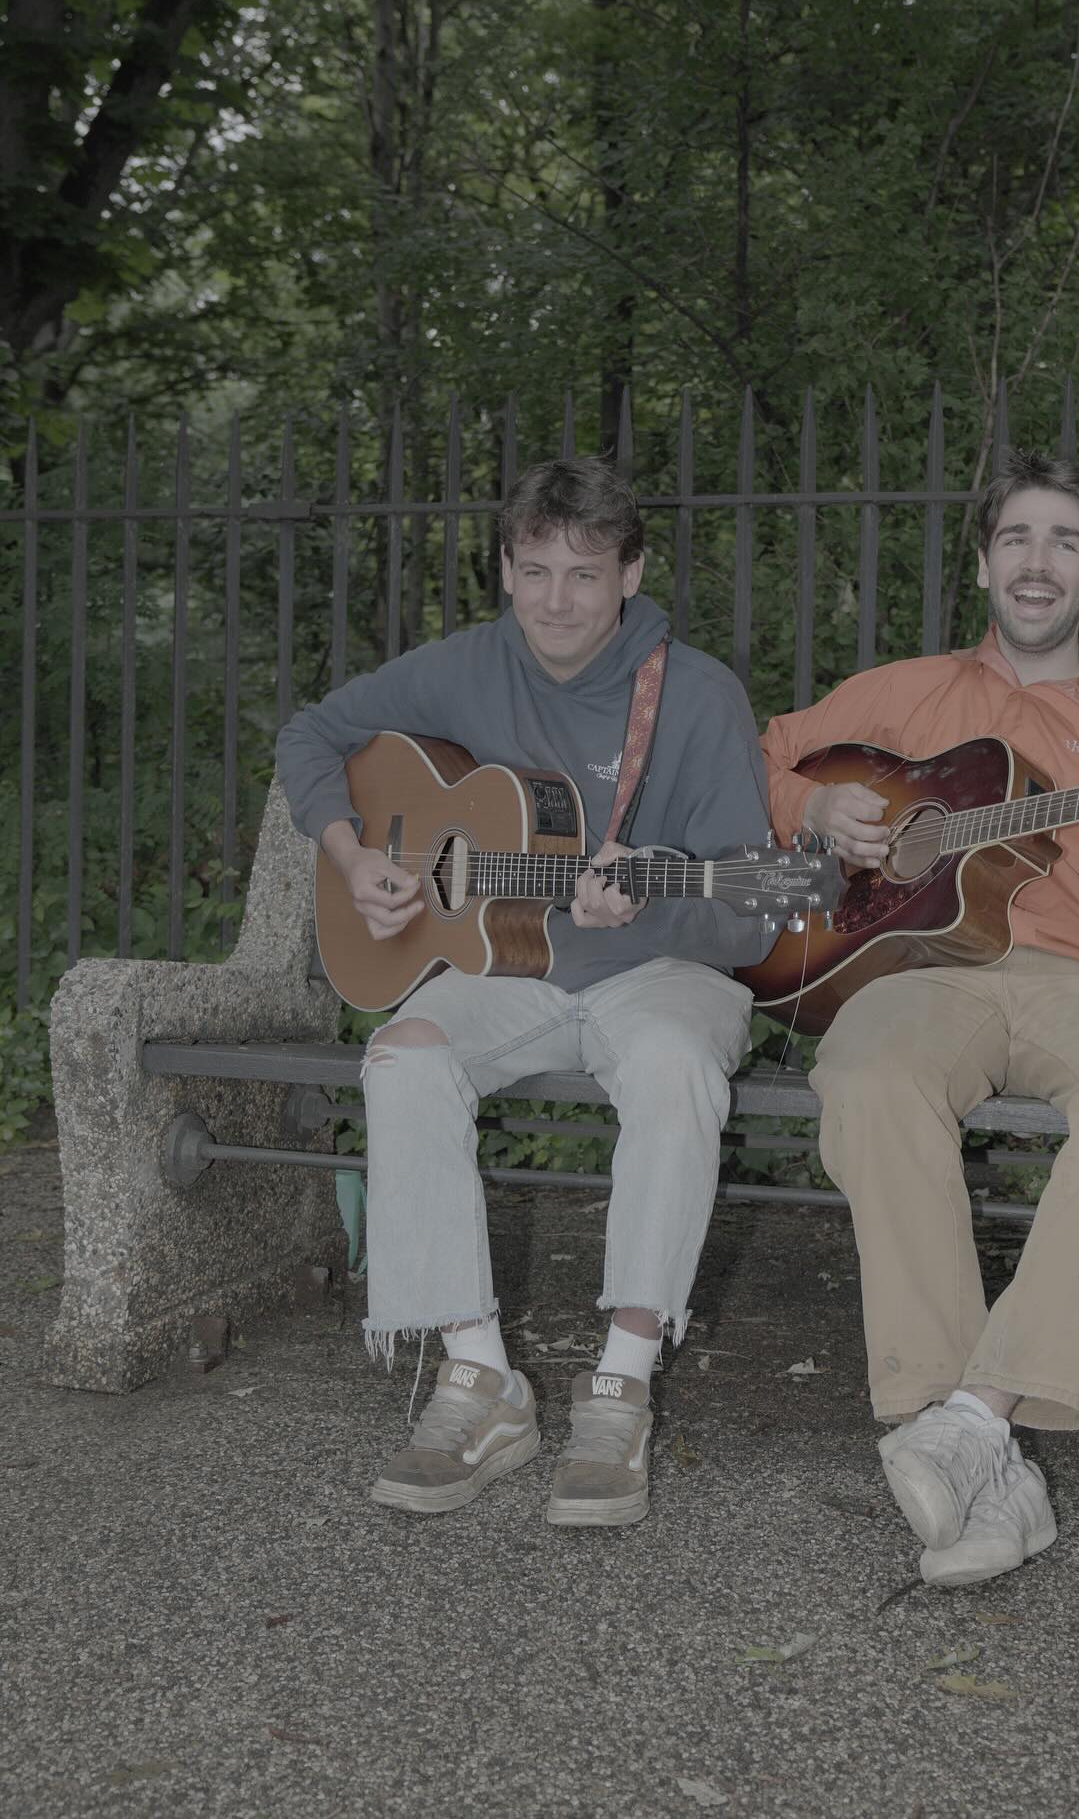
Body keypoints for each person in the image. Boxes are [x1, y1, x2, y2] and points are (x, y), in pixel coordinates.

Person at [276, 456, 771, 1525]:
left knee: (676, 1064)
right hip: (512, 970)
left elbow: (753, 914)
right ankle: (481, 1374)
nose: (556, 599)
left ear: (631, 573)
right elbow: (311, 730)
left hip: (665, 968)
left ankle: (624, 1382)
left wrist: (649, 907)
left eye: (584, 574)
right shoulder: (467, 666)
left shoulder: (698, 696)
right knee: (404, 1052)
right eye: (534, 569)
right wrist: (355, 852)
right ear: (504, 567)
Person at [760, 450, 1079, 1587]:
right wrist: (814, 802)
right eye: (1018, 536)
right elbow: (767, 753)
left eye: (1066, 540)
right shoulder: (905, 693)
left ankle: (970, 1414)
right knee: (867, 1079)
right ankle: (981, 1458)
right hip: (924, 972)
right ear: (984, 561)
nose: (1038, 560)